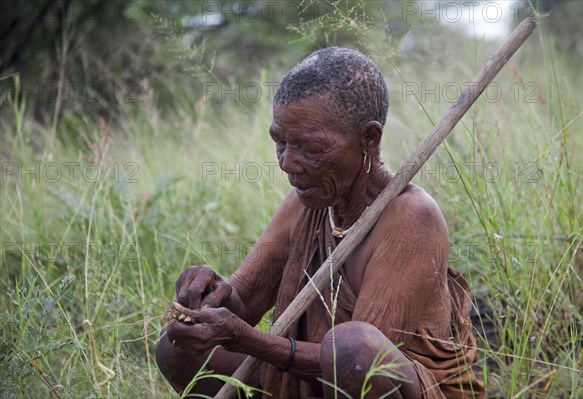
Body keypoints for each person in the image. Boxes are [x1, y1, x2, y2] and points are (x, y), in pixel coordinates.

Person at [155, 47, 485, 399]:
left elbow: (358, 359)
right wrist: (209, 298)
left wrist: (245, 338)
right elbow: (243, 302)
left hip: (390, 385)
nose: (287, 163)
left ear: (368, 139)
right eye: (280, 143)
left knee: (351, 349)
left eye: (310, 148)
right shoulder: (307, 202)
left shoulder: (411, 218)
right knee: (177, 348)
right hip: (316, 380)